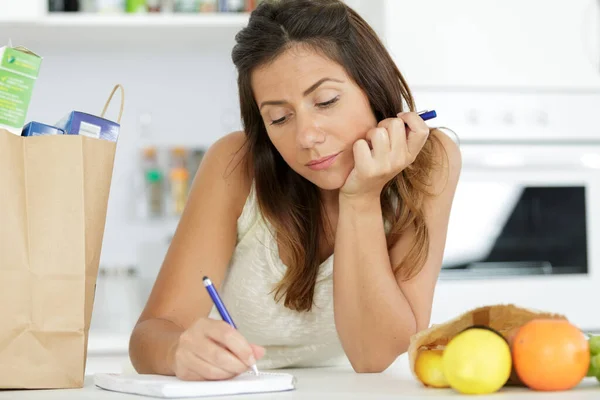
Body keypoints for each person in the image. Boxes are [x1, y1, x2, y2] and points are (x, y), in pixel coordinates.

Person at [129, 0, 461, 381]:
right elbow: (149, 334)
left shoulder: (430, 161)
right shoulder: (235, 164)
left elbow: (374, 356)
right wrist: (177, 351)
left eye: (326, 101)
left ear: (372, 86)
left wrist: (361, 197)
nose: (306, 137)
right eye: (279, 117)